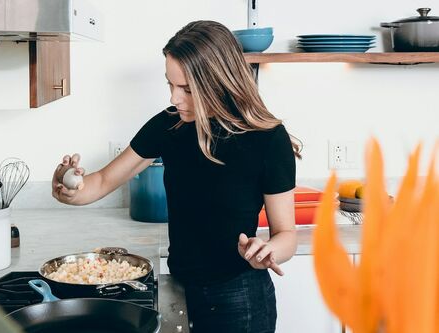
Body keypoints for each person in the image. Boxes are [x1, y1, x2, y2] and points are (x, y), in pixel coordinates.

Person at [52, 20, 301, 333]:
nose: (174, 98)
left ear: (218, 82)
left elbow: (286, 235)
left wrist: (267, 251)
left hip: (239, 297)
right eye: (170, 85)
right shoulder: (169, 126)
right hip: (180, 285)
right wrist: (66, 183)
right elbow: (99, 182)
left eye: (186, 89)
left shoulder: (268, 139)